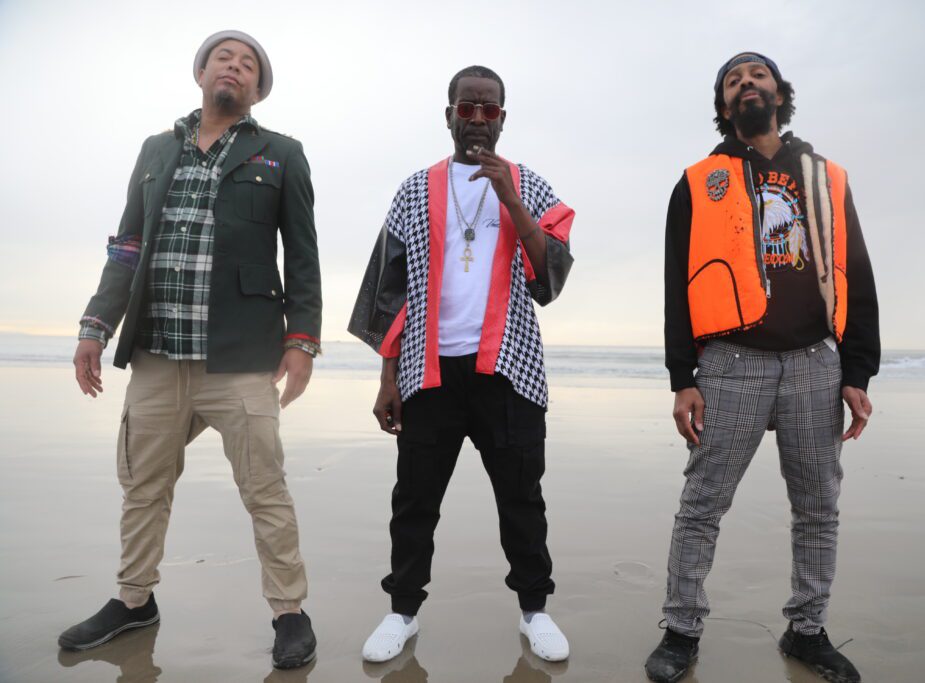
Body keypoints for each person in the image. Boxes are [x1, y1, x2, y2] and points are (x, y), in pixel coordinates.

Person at [60, 30, 321, 670]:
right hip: (156, 353)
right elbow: (125, 247)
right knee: (143, 485)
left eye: (248, 63)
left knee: (266, 490)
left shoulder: (280, 154)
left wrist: (302, 341)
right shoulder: (155, 150)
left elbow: (304, 256)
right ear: (201, 73)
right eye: (223, 58)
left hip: (240, 357)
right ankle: (133, 600)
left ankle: (289, 611)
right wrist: (96, 325)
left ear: (258, 88)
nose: (234, 67)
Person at [644, 52, 880, 683]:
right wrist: (682, 377)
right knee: (702, 502)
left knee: (818, 507)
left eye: (757, 76)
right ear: (724, 106)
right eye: (733, 81)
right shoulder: (698, 180)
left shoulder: (827, 177)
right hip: (728, 363)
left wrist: (858, 372)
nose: (746, 84)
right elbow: (676, 285)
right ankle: (681, 630)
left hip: (814, 365)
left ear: (780, 92)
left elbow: (856, 274)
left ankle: (808, 630)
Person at [348, 65, 575, 664]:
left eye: (489, 110)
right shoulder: (415, 188)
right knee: (415, 499)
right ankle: (402, 612)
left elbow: (550, 278)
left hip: (509, 369)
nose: (477, 119)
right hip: (429, 372)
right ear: (448, 114)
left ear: (503, 118)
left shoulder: (531, 184)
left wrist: (511, 201)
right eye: (467, 108)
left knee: (522, 498)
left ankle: (535, 612)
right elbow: (388, 294)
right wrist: (387, 379)